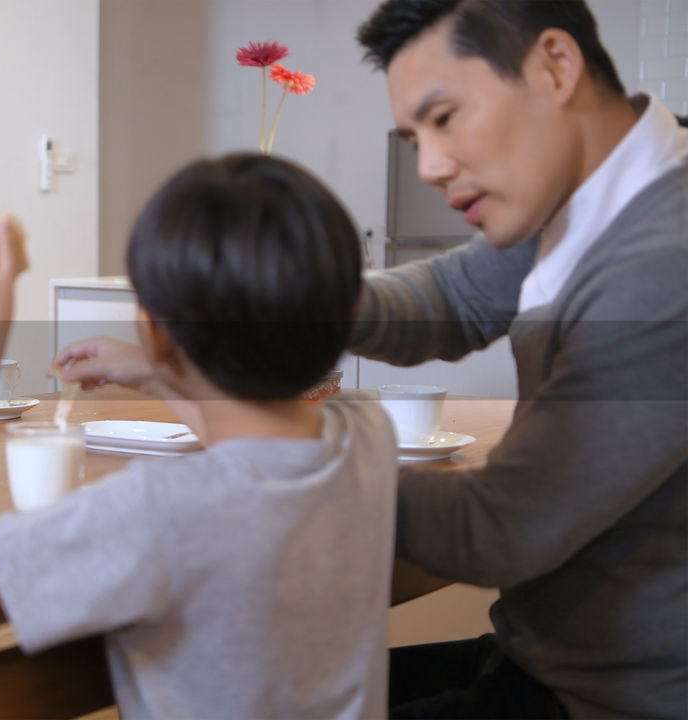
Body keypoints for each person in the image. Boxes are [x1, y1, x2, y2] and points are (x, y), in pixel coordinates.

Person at [59, 1, 688, 717]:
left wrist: (275, 442)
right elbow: (450, 297)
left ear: (556, 64)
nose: (428, 166)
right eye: (413, 136)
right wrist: (284, 293)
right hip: (542, 656)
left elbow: (497, 532)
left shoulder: (662, 263)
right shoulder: (597, 198)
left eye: (444, 118)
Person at [0, 155, 399, 719]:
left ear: (153, 328)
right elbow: (259, 423)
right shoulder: (369, 434)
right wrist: (159, 369)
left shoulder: (161, 511)